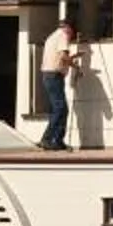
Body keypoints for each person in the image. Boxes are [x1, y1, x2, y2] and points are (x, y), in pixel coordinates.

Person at [38, 18, 78, 150]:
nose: (71, 37)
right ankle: (48, 139)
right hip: (53, 75)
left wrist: (72, 58)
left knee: (60, 108)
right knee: (60, 108)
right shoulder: (63, 35)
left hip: (48, 75)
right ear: (69, 28)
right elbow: (63, 57)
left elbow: (59, 58)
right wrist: (75, 65)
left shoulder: (52, 36)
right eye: (72, 33)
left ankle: (57, 140)